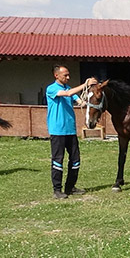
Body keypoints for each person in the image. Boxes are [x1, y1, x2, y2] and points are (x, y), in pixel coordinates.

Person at [46, 66, 95, 199]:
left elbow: (80, 102)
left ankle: (70, 187)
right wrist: (84, 84)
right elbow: (67, 94)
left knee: (75, 160)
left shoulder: (69, 89)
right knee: (58, 160)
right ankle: (57, 190)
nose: (68, 77)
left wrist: (90, 93)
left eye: (68, 75)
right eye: (65, 75)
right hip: (57, 131)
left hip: (70, 130)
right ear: (56, 75)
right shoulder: (52, 89)